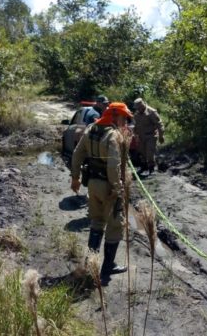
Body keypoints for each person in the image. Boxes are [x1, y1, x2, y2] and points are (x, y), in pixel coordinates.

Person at [69, 102, 133, 285]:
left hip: (93, 185)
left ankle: (91, 263)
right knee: (115, 226)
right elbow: (113, 165)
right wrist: (118, 188)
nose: (125, 122)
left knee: (97, 221)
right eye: (123, 118)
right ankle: (107, 268)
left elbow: (76, 154)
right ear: (114, 116)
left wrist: (75, 178)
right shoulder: (112, 135)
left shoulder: (91, 129)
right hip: (108, 187)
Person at [132, 98, 164, 175]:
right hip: (141, 137)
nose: (138, 109)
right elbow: (136, 126)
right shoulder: (137, 114)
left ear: (142, 105)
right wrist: (135, 136)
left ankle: (151, 169)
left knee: (150, 153)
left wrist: (161, 136)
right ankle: (144, 167)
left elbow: (159, 124)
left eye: (139, 107)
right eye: (137, 108)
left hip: (151, 135)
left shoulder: (151, 112)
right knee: (142, 153)